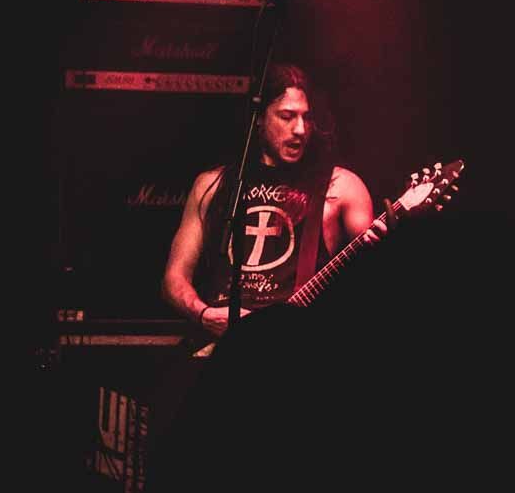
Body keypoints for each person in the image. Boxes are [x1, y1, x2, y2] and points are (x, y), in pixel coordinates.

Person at [161, 63, 381, 335]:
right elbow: (173, 279)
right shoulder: (212, 184)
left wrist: (385, 246)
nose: (300, 129)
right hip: (222, 345)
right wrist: (204, 315)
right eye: (287, 117)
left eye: (306, 118)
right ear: (259, 119)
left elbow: (375, 281)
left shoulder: (340, 186)